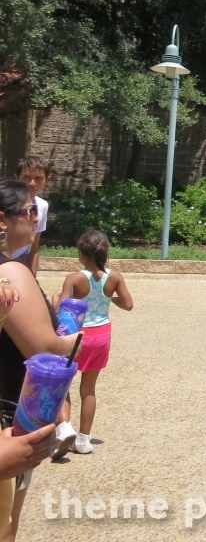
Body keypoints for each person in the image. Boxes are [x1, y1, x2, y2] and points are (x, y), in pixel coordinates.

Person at [0, 178, 80, 541]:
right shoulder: (10, 272)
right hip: (9, 419)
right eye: (29, 210)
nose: (36, 218)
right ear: (2, 221)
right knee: (6, 522)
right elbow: (43, 351)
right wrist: (76, 340)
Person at [51, 231, 132, 457]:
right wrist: (109, 298)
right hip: (102, 335)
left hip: (77, 335)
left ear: (81, 254)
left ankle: (65, 428)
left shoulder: (74, 278)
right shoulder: (114, 277)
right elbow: (128, 304)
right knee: (88, 389)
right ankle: (84, 440)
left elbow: (62, 312)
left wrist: (55, 298)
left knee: (63, 383)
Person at [9, 158, 50, 277]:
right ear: (16, 177)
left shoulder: (42, 205)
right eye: (26, 177)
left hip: (22, 260)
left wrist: (32, 278)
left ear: (47, 180)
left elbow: (34, 247)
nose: (32, 183)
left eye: (38, 178)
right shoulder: (6, 204)